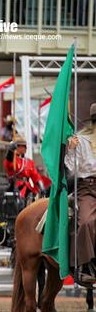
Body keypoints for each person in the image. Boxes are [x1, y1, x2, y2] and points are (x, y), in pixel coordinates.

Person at [64, 103, 96, 284]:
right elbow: (72, 169)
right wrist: (71, 148)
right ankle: (84, 266)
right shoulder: (81, 139)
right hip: (87, 187)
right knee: (86, 222)